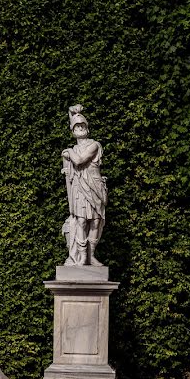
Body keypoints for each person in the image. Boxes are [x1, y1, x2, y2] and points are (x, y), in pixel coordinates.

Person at [61, 104, 106, 266]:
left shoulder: (94, 145)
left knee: (95, 221)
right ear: (72, 131)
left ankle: (91, 255)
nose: (80, 128)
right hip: (79, 189)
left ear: (87, 128)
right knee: (81, 221)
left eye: (82, 126)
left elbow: (79, 161)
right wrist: (71, 112)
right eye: (76, 126)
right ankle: (82, 257)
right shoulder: (74, 147)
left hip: (94, 188)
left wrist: (68, 152)